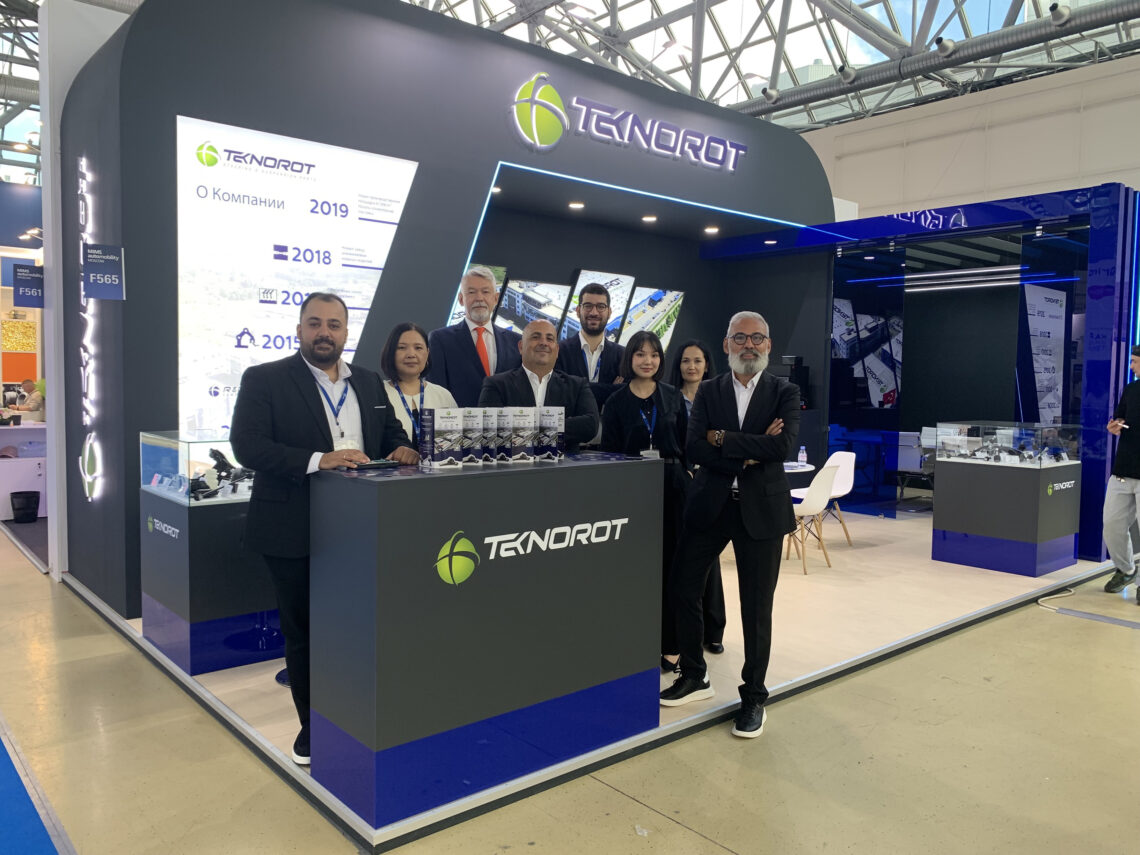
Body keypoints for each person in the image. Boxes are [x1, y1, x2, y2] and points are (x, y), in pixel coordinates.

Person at [229, 293, 419, 766]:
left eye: (334, 324)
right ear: (299, 329)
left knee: (356, 628)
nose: (324, 333)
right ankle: (313, 729)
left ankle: (358, 715)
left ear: (346, 332)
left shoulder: (369, 382)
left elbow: (391, 434)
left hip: (359, 530)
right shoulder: (265, 379)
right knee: (304, 632)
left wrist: (402, 448)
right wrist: (319, 459)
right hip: (290, 524)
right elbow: (247, 446)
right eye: (314, 323)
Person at [660, 311, 800, 740]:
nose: (748, 345)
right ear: (726, 345)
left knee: (756, 608)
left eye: (757, 337)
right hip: (710, 506)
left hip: (761, 511)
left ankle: (754, 696)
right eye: (740, 337)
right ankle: (694, 674)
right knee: (683, 588)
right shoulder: (709, 390)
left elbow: (783, 446)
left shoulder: (784, 391)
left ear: (768, 345)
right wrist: (750, 450)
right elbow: (695, 447)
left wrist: (723, 439)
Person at [600, 331, 688, 672]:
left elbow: (686, 443)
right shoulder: (616, 402)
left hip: (673, 488)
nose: (647, 360)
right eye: (640, 354)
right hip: (633, 491)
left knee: (673, 568)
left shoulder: (673, 396)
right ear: (630, 359)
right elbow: (609, 454)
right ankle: (637, 638)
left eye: (653, 354)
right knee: (636, 569)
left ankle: (672, 644)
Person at [668, 340, 727, 657]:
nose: (691, 366)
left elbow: (724, 441)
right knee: (683, 560)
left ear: (707, 365)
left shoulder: (718, 398)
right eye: (685, 361)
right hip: (680, 483)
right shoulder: (670, 398)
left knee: (710, 560)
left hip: (711, 484)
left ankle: (714, 628)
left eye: (698, 361)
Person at [478, 319, 599, 452]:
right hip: (513, 463)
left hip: (564, 464)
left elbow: (590, 426)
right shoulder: (496, 384)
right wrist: (558, 426)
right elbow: (488, 429)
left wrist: (525, 427)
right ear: (521, 347)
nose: (543, 343)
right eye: (536, 337)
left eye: (550, 339)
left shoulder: (577, 386)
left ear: (557, 350)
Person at [428, 266, 522, 407]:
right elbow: (436, 393)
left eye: (485, 292)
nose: (479, 298)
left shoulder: (516, 341)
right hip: (458, 420)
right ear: (461, 299)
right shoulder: (440, 340)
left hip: (505, 421)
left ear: (496, 298)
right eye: (471, 292)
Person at [1102, 344, 1140, 604]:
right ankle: (1126, 570)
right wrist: (1114, 426)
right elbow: (1119, 419)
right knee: (1112, 525)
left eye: (1135, 361)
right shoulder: (1131, 389)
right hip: (1123, 470)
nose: (1131, 366)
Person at [380, 321, 457, 446]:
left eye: (418, 348)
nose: (411, 354)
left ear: (427, 353)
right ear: (390, 353)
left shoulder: (443, 396)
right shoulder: (378, 394)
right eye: (402, 348)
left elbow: (455, 444)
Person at [555, 282, 625, 410]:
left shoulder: (622, 355)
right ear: (578, 311)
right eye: (588, 306)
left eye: (601, 307)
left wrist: (576, 388)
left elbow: (626, 393)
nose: (594, 312)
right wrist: (611, 389)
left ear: (609, 312)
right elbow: (560, 393)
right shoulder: (559, 351)